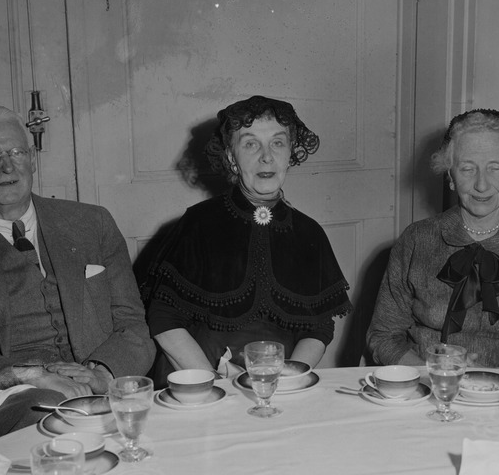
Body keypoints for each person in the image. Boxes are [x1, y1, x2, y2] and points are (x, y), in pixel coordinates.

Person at [0, 105, 155, 440]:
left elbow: (132, 324)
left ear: (32, 159)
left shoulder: (92, 224)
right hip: (2, 402)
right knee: (51, 424)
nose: (7, 166)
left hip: (99, 392)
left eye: (16, 152)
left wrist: (100, 373)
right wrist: (24, 376)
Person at [142, 95, 352, 381]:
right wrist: (213, 384)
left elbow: (318, 329)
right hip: (200, 378)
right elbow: (163, 320)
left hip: (277, 381)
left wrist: (284, 380)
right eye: (250, 143)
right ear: (231, 156)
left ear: (291, 153)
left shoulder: (309, 233)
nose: (266, 156)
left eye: (277, 142)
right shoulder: (198, 224)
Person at [367, 109, 499, 371]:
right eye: (468, 168)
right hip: (430, 386)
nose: (482, 185)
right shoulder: (416, 239)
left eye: (496, 168)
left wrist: (496, 381)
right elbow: (383, 336)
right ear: (450, 176)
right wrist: (434, 373)